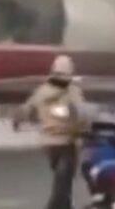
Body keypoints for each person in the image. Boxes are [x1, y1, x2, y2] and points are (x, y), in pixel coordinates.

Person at [17, 55, 86, 209]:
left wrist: (20, 121)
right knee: (62, 186)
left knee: (62, 181)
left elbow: (27, 110)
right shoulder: (72, 91)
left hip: (48, 143)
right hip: (67, 141)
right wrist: (84, 129)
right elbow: (82, 114)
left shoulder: (42, 91)